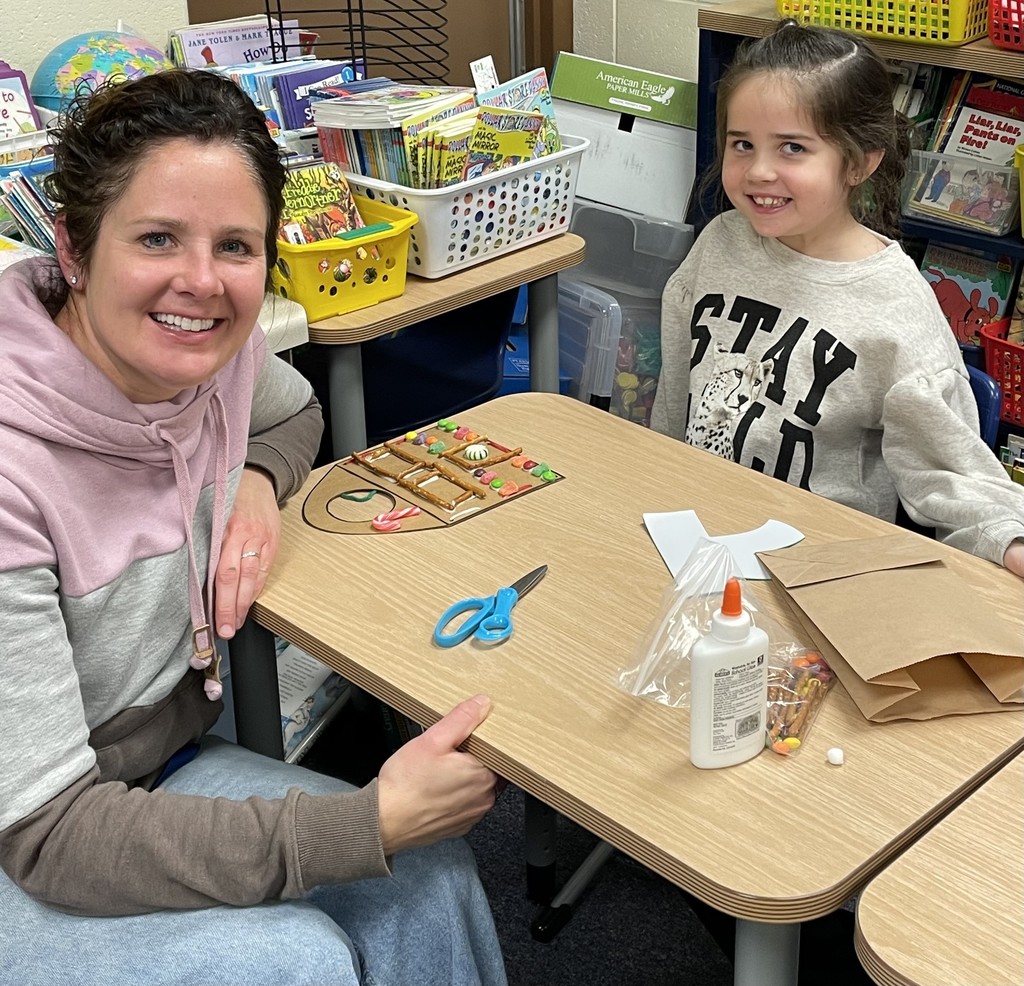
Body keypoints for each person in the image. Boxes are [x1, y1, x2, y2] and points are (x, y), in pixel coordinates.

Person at [0, 69, 507, 986]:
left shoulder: (213, 358)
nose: (200, 281)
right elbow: (51, 836)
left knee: (427, 875)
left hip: (153, 766)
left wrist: (256, 488)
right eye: (157, 237)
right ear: (73, 248)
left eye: (235, 245)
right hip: (34, 830)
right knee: (293, 961)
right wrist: (369, 822)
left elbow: (293, 411)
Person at [651, 19, 1024, 579]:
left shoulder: (896, 309)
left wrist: (1009, 542)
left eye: (793, 148)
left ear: (860, 161)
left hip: (817, 572)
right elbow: (674, 398)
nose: (759, 171)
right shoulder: (720, 242)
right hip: (694, 538)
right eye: (742, 144)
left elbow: (953, 474)